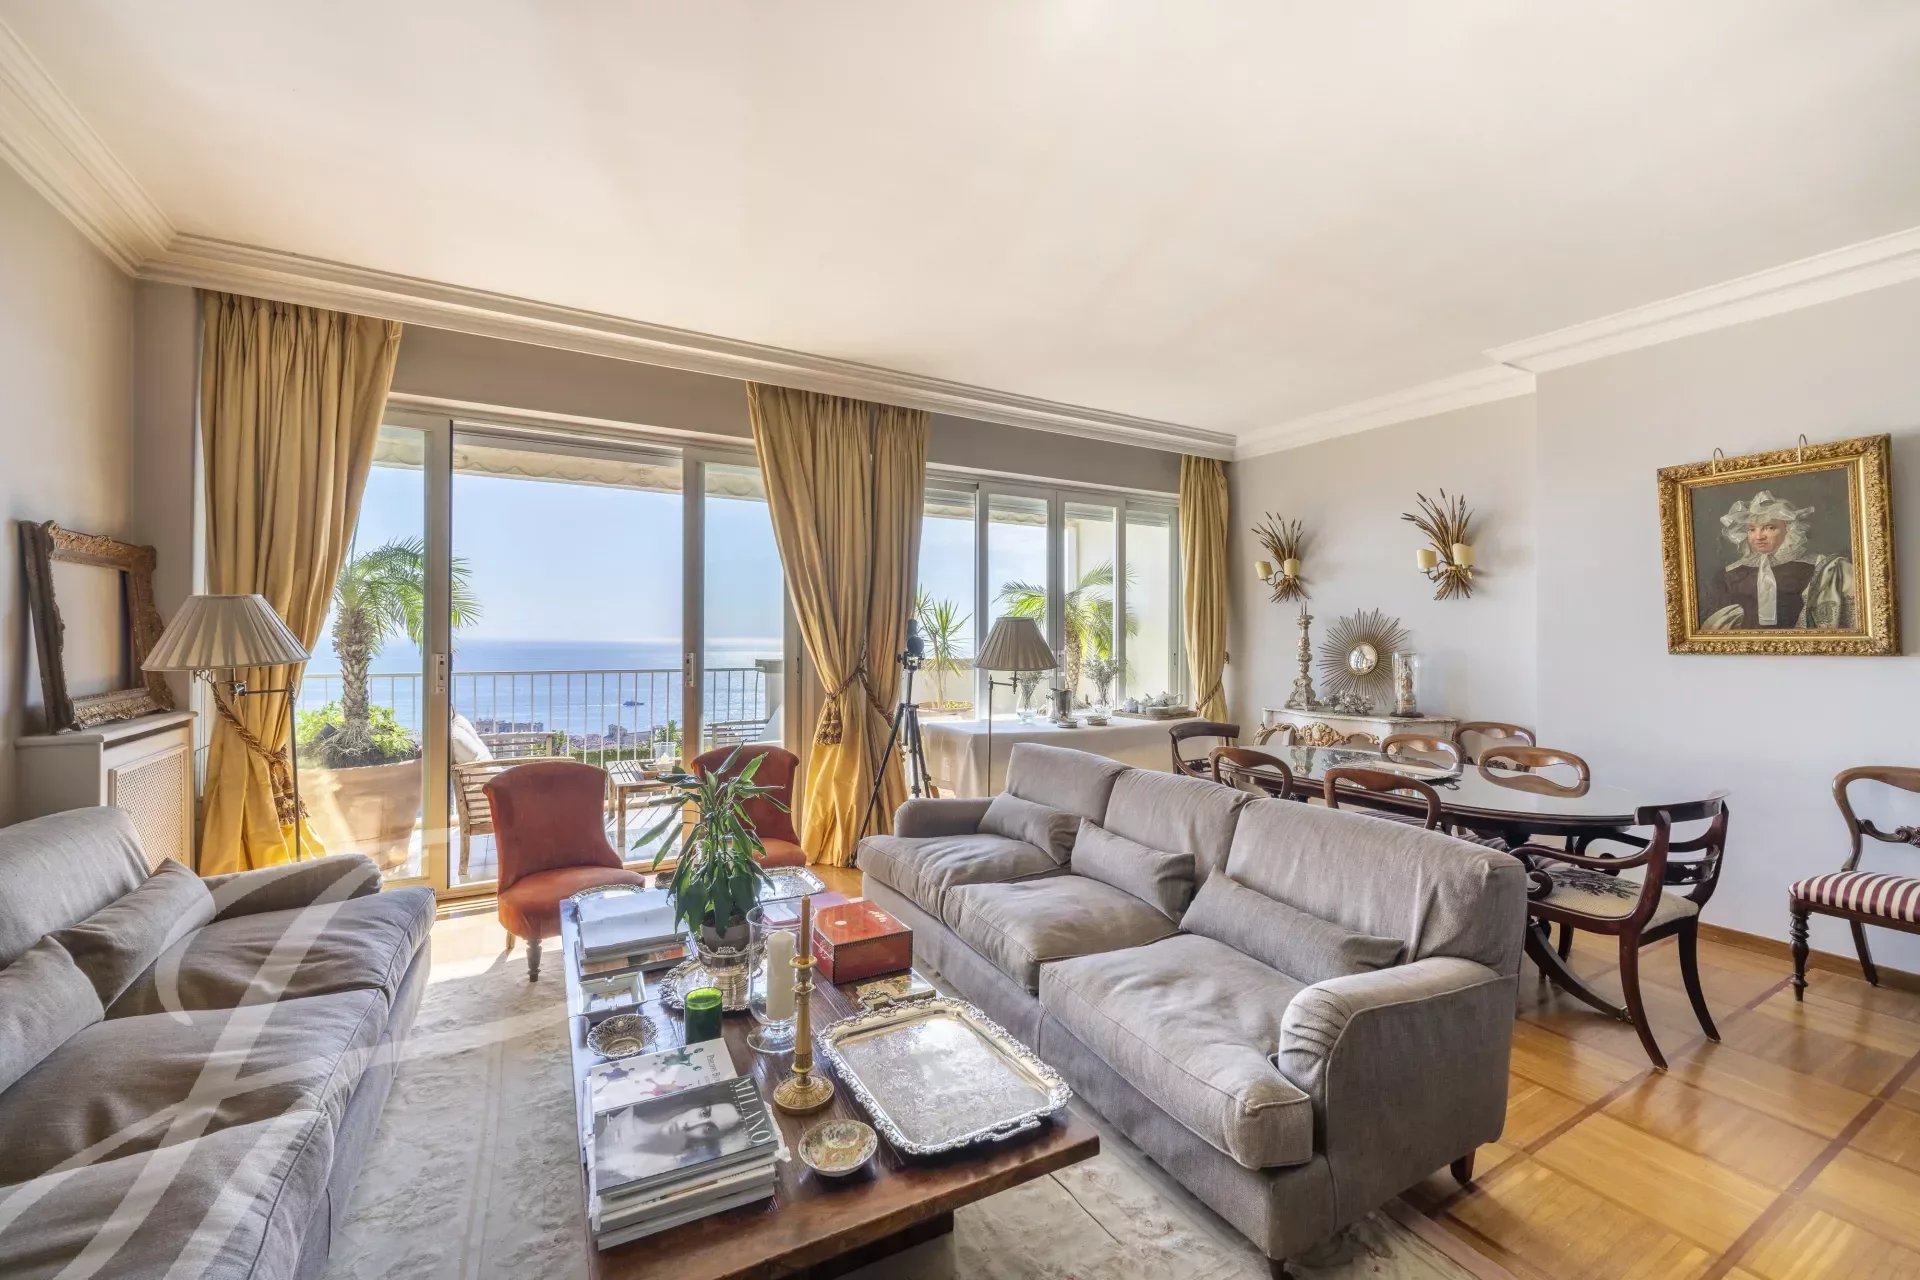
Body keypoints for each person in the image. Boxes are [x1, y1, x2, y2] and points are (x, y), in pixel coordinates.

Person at [1701, 490, 1856, 630]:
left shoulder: (1819, 566)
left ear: (1789, 529)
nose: (1758, 536)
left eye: (1770, 527)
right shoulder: (1729, 574)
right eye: (1752, 529)